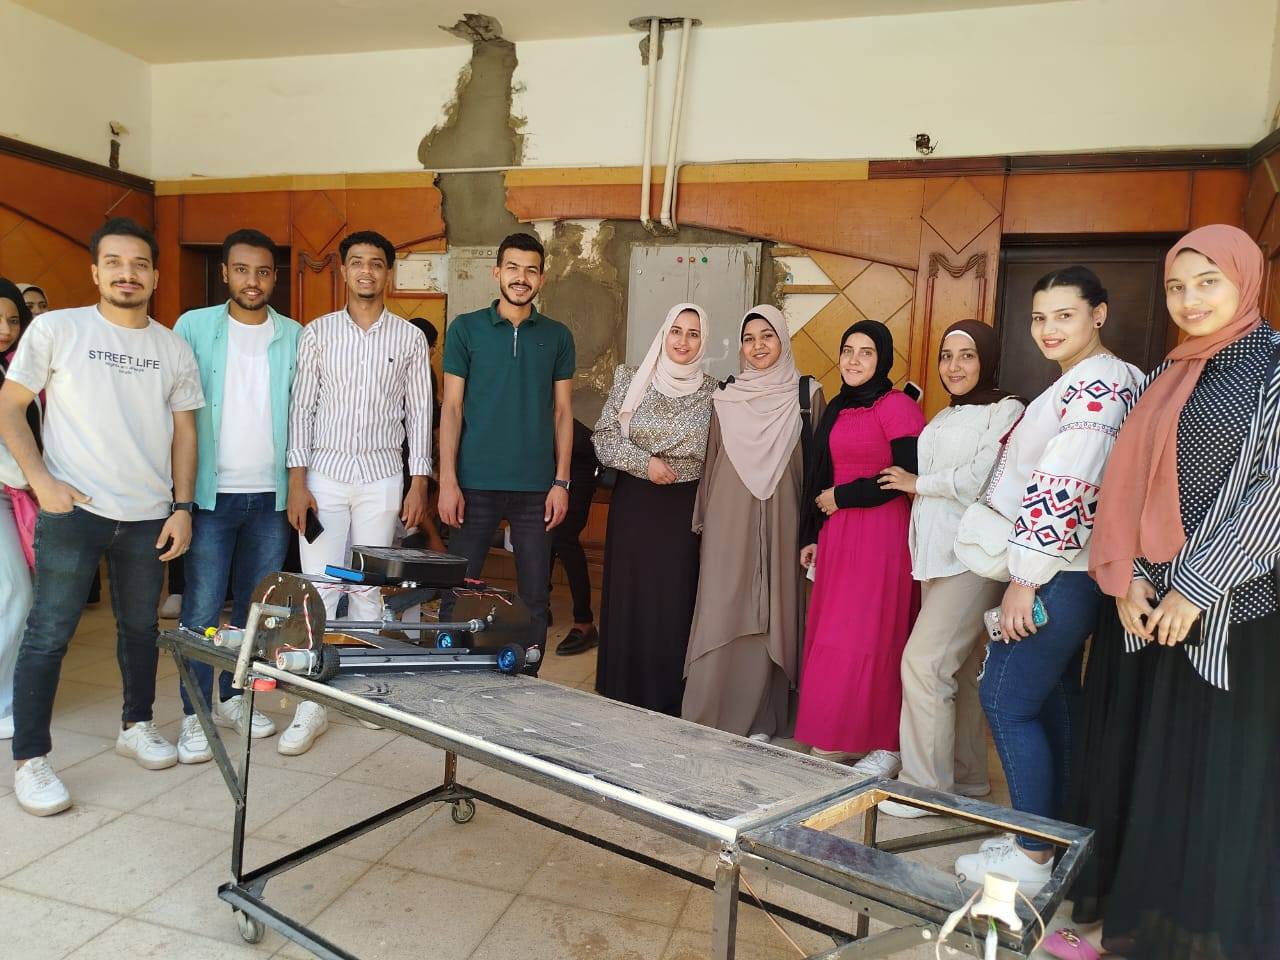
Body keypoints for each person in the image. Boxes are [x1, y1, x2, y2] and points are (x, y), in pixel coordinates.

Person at [1061, 226, 1280, 960]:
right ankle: (1127, 918)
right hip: (1142, 609)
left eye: (1208, 282)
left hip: (1228, 613)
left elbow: (1273, 492)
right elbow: (1124, 484)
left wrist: (1196, 585)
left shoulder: (1273, 367)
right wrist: (1129, 577)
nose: (1190, 300)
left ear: (1245, 281)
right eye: (1177, 287)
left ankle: (1185, 935)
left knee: (1201, 776)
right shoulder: (1168, 373)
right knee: (1136, 767)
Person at [0, 218, 204, 816]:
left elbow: (185, 434)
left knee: (140, 629)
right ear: (95, 272)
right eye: (114, 262)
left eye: (139, 264)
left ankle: (136, 725)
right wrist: (41, 481)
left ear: (155, 276)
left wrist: (183, 508)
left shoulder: (172, 347)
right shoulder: (58, 329)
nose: (127, 273)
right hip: (74, 511)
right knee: (49, 633)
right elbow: (10, 407)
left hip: (147, 516)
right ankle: (31, 760)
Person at [951, 266, 1141, 892]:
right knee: (1053, 702)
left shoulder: (1098, 384)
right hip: (1067, 568)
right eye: (1039, 317)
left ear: (1098, 315)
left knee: (1004, 700)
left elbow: (1068, 482)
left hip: (1057, 570)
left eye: (1065, 315)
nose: (1049, 329)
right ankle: (1052, 839)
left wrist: (1025, 579)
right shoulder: (1093, 379)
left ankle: (1033, 856)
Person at [285, 230, 432, 755]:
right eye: (356, 262)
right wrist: (297, 482)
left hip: (381, 478)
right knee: (321, 587)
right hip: (324, 477)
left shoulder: (409, 339)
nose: (366, 271)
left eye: (376, 263)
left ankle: (368, 691)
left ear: (388, 273)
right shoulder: (317, 333)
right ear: (343, 271)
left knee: (370, 588)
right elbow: (301, 409)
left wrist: (419, 481)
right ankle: (312, 701)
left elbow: (420, 413)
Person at [876, 320, 1024, 817]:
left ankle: (925, 788)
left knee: (924, 664)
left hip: (974, 557)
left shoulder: (1008, 409)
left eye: (966, 355)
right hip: (935, 554)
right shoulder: (945, 414)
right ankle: (967, 778)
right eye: (946, 356)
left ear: (987, 359)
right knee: (956, 670)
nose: (954, 366)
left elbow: (986, 476)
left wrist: (918, 483)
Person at [171, 229, 301, 764]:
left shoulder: (295, 335)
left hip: (270, 498)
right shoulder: (193, 327)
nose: (253, 281)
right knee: (201, 608)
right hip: (210, 496)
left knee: (255, 611)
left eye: (263, 271)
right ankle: (194, 713)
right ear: (225, 272)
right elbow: (174, 409)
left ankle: (233, 696)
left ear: (274, 278)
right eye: (242, 270)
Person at [682, 305, 824, 739]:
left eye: (767, 336)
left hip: (783, 518)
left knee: (773, 610)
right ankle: (709, 711)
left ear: (783, 341)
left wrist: (815, 531)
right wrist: (703, 517)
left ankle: (762, 717)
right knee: (721, 604)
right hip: (728, 518)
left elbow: (819, 468)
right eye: (749, 339)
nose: (758, 346)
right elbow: (712, 463)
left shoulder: (807, 396)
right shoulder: (725, 397)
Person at [437, 232, 575, 671]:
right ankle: (450, 675)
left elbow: (563, 413)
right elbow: (452, 408)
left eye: (531, 270)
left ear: (542, 279)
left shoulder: (557, 336)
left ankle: (527, 678)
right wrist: (447, 481)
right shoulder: (466, 329)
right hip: (473, 484)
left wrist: (562, 482)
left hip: (537, 489)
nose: (521, 277)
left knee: (535, 596)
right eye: (513, 268)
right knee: (458, 590)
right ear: (497, 272)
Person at [793, 320, 925, 777]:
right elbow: (820, 475)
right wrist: (812, 533)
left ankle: (882, 741)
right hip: (839, 533)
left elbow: (904, 475)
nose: (853, 360)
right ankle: (836, 732)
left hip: (881, 536)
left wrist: (842, 498)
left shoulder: (897, 406)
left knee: (871, 635)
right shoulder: (839, 406)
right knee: (834, 633)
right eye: (847, 350)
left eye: (865, 352)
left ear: (882, 358)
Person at [592, 303, 717, 711]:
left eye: (693, 333)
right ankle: (621, 689)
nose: (683, 341)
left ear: (703, 340)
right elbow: (604, 437)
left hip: (683, 509)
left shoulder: (716, 392)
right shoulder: (630, 379)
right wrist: (644, 463)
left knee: (673, 597)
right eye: (676, 331)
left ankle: (667, 695)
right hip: (636, 503)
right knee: (631, 593)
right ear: (664, 334)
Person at [0, 279, 35, 742]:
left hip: (15, 495)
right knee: (15, 593)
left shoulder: (15, 369)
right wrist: (36, 478)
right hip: (12, 488)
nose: (5, 328)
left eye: (13, 320)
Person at [551, 416, 601, 655]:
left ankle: (584, 623)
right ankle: (539, 606)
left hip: (581, 454)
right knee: (541, 532)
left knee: (564, 536)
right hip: (545, 454)